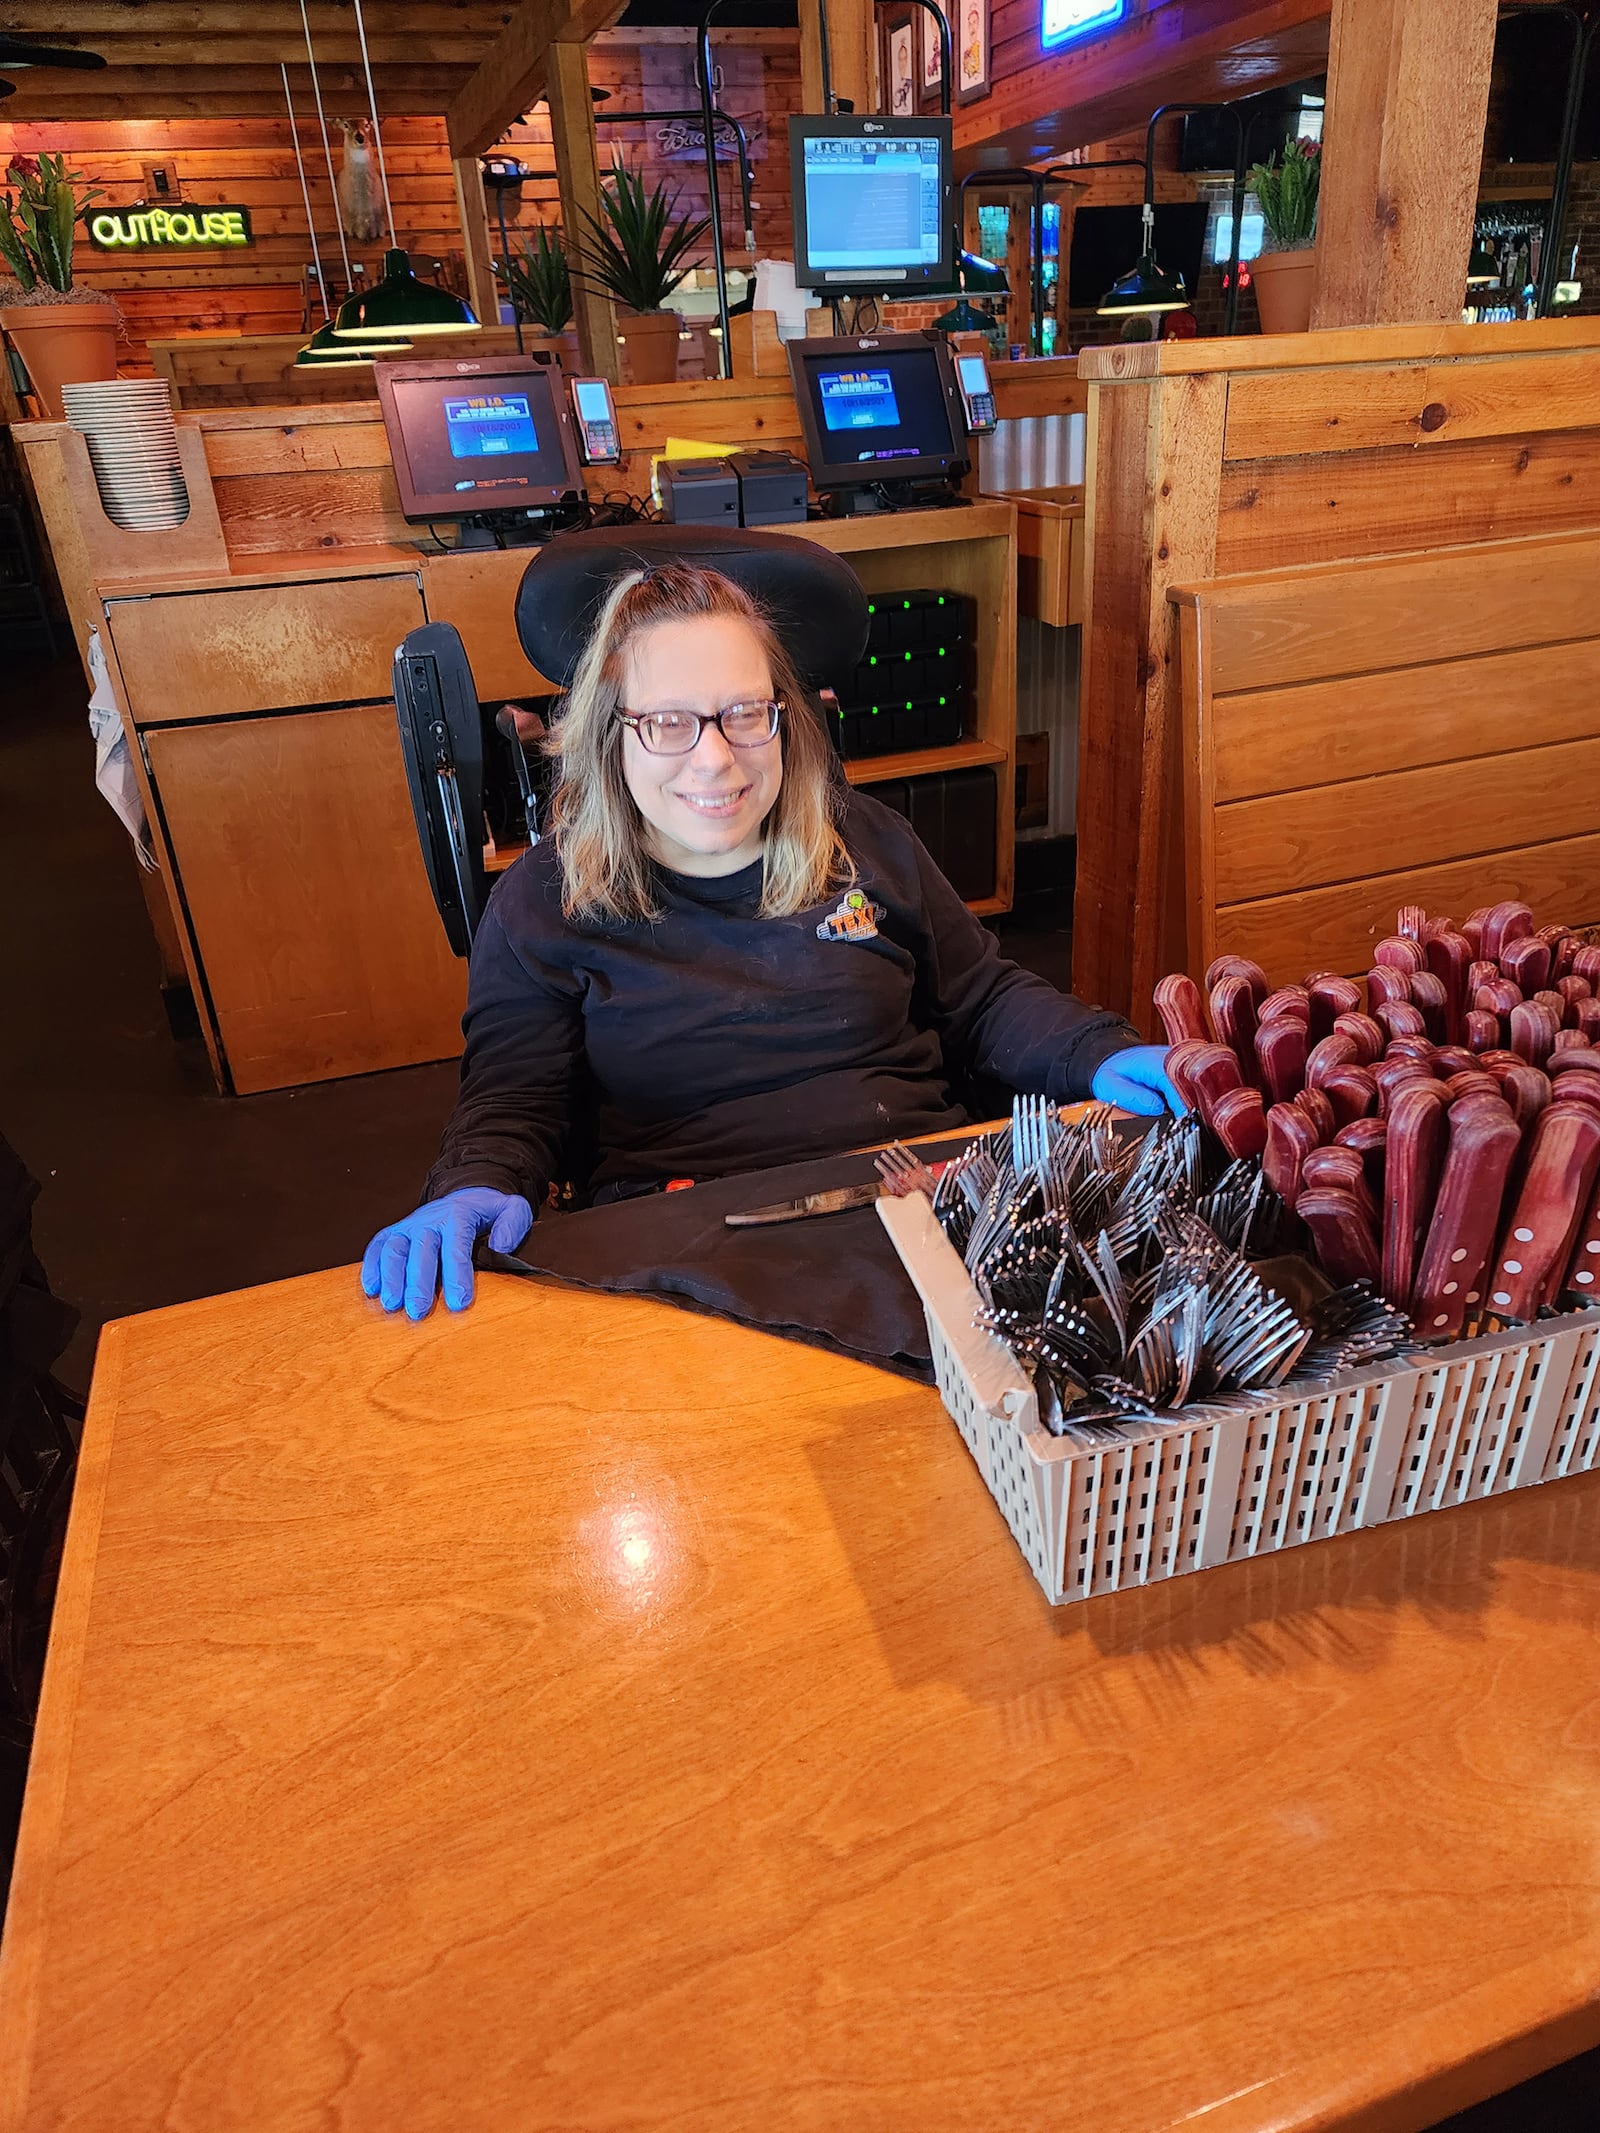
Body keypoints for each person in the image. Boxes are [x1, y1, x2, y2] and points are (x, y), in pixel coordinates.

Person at [363, 564, 1179, 1320]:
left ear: (785, 715)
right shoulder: (544, 899)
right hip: (689, 1244)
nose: (716, 759)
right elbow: (513, 1098)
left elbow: (984, 996)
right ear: (611, 734)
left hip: (924, 1200)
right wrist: (474, 1180)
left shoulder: (863, 839)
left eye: (744, 713)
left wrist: (1096, 1052)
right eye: (670, 722)